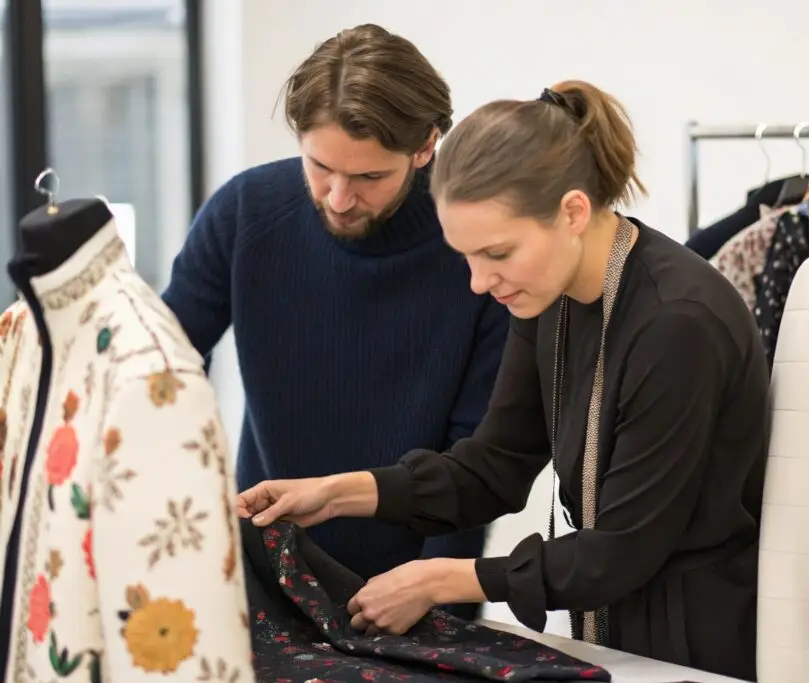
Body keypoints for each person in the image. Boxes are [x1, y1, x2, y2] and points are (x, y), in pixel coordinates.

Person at [237, 80, 769, 680]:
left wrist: (437, 579)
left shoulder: (678, 324)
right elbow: (492, 467)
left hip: (703, 644)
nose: (478, 282)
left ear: (571, 212)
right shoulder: (551, 297)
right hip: (614, 633)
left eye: (497, 253)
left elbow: (619, 553)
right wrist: (332, 494)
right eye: (466, 257)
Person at [162, 24, 509, 621]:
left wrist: (437, 605)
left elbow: (474, 459)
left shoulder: (476, 251)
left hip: (414, 591)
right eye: (321, 166)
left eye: (370, 177)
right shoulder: (245, 214)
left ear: (425, 147)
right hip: (261, 576)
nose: (340, 197)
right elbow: (161, 370)